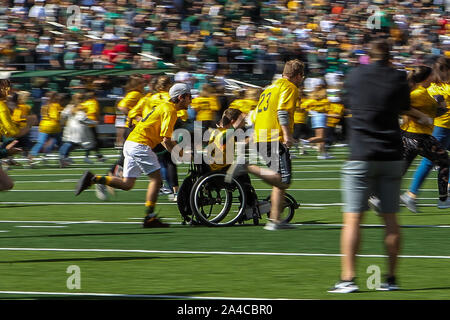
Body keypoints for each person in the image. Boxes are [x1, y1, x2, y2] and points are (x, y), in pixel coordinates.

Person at [328, 40, 411, 293]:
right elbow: (404, 108)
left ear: (367, 56)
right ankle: (390, 279)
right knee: (391, 219)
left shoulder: (354, 76)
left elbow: (346, 105)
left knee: (353, 219)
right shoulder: (398, 77)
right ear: (389, 57)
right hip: (391, 154)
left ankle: (348, 278)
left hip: (361, 153)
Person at [74, 83, 192, 228]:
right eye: (189, 97)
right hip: (140, 145)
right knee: (156, 180)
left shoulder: (164, 106)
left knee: (127, 184)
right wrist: (181, 154)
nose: (191, 100)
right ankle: (149, 217)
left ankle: (93, 179)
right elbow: (166, 140)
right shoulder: (170, 110)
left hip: (131, 142)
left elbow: (164, 138)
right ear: (181, 97)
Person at [225, 59, 304, 231]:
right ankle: (246, 167)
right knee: (283, 179)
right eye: (301, 77)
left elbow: (257, 114)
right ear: (297, 76)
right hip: (273, 136)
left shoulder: (269, 88)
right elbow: (282, 111)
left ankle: (275, 221)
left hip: (262, 135)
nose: (302, 80)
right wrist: (288, 135)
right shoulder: (289, 87)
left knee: (279, 180)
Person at [401, 57, 450, 212]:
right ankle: (411, 194)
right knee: (431, 162)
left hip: (440, 127)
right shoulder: (441, 87)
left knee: (437, 161)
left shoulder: (432, 86)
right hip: (440, 128)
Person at [30, 91, 64, 163]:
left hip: (43, 126)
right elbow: (56, 117)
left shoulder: (44, 106)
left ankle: (32, 156)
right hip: (53, 126)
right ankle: (63, 158)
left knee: (40, 143)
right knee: (60, 143)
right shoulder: (56, 105)